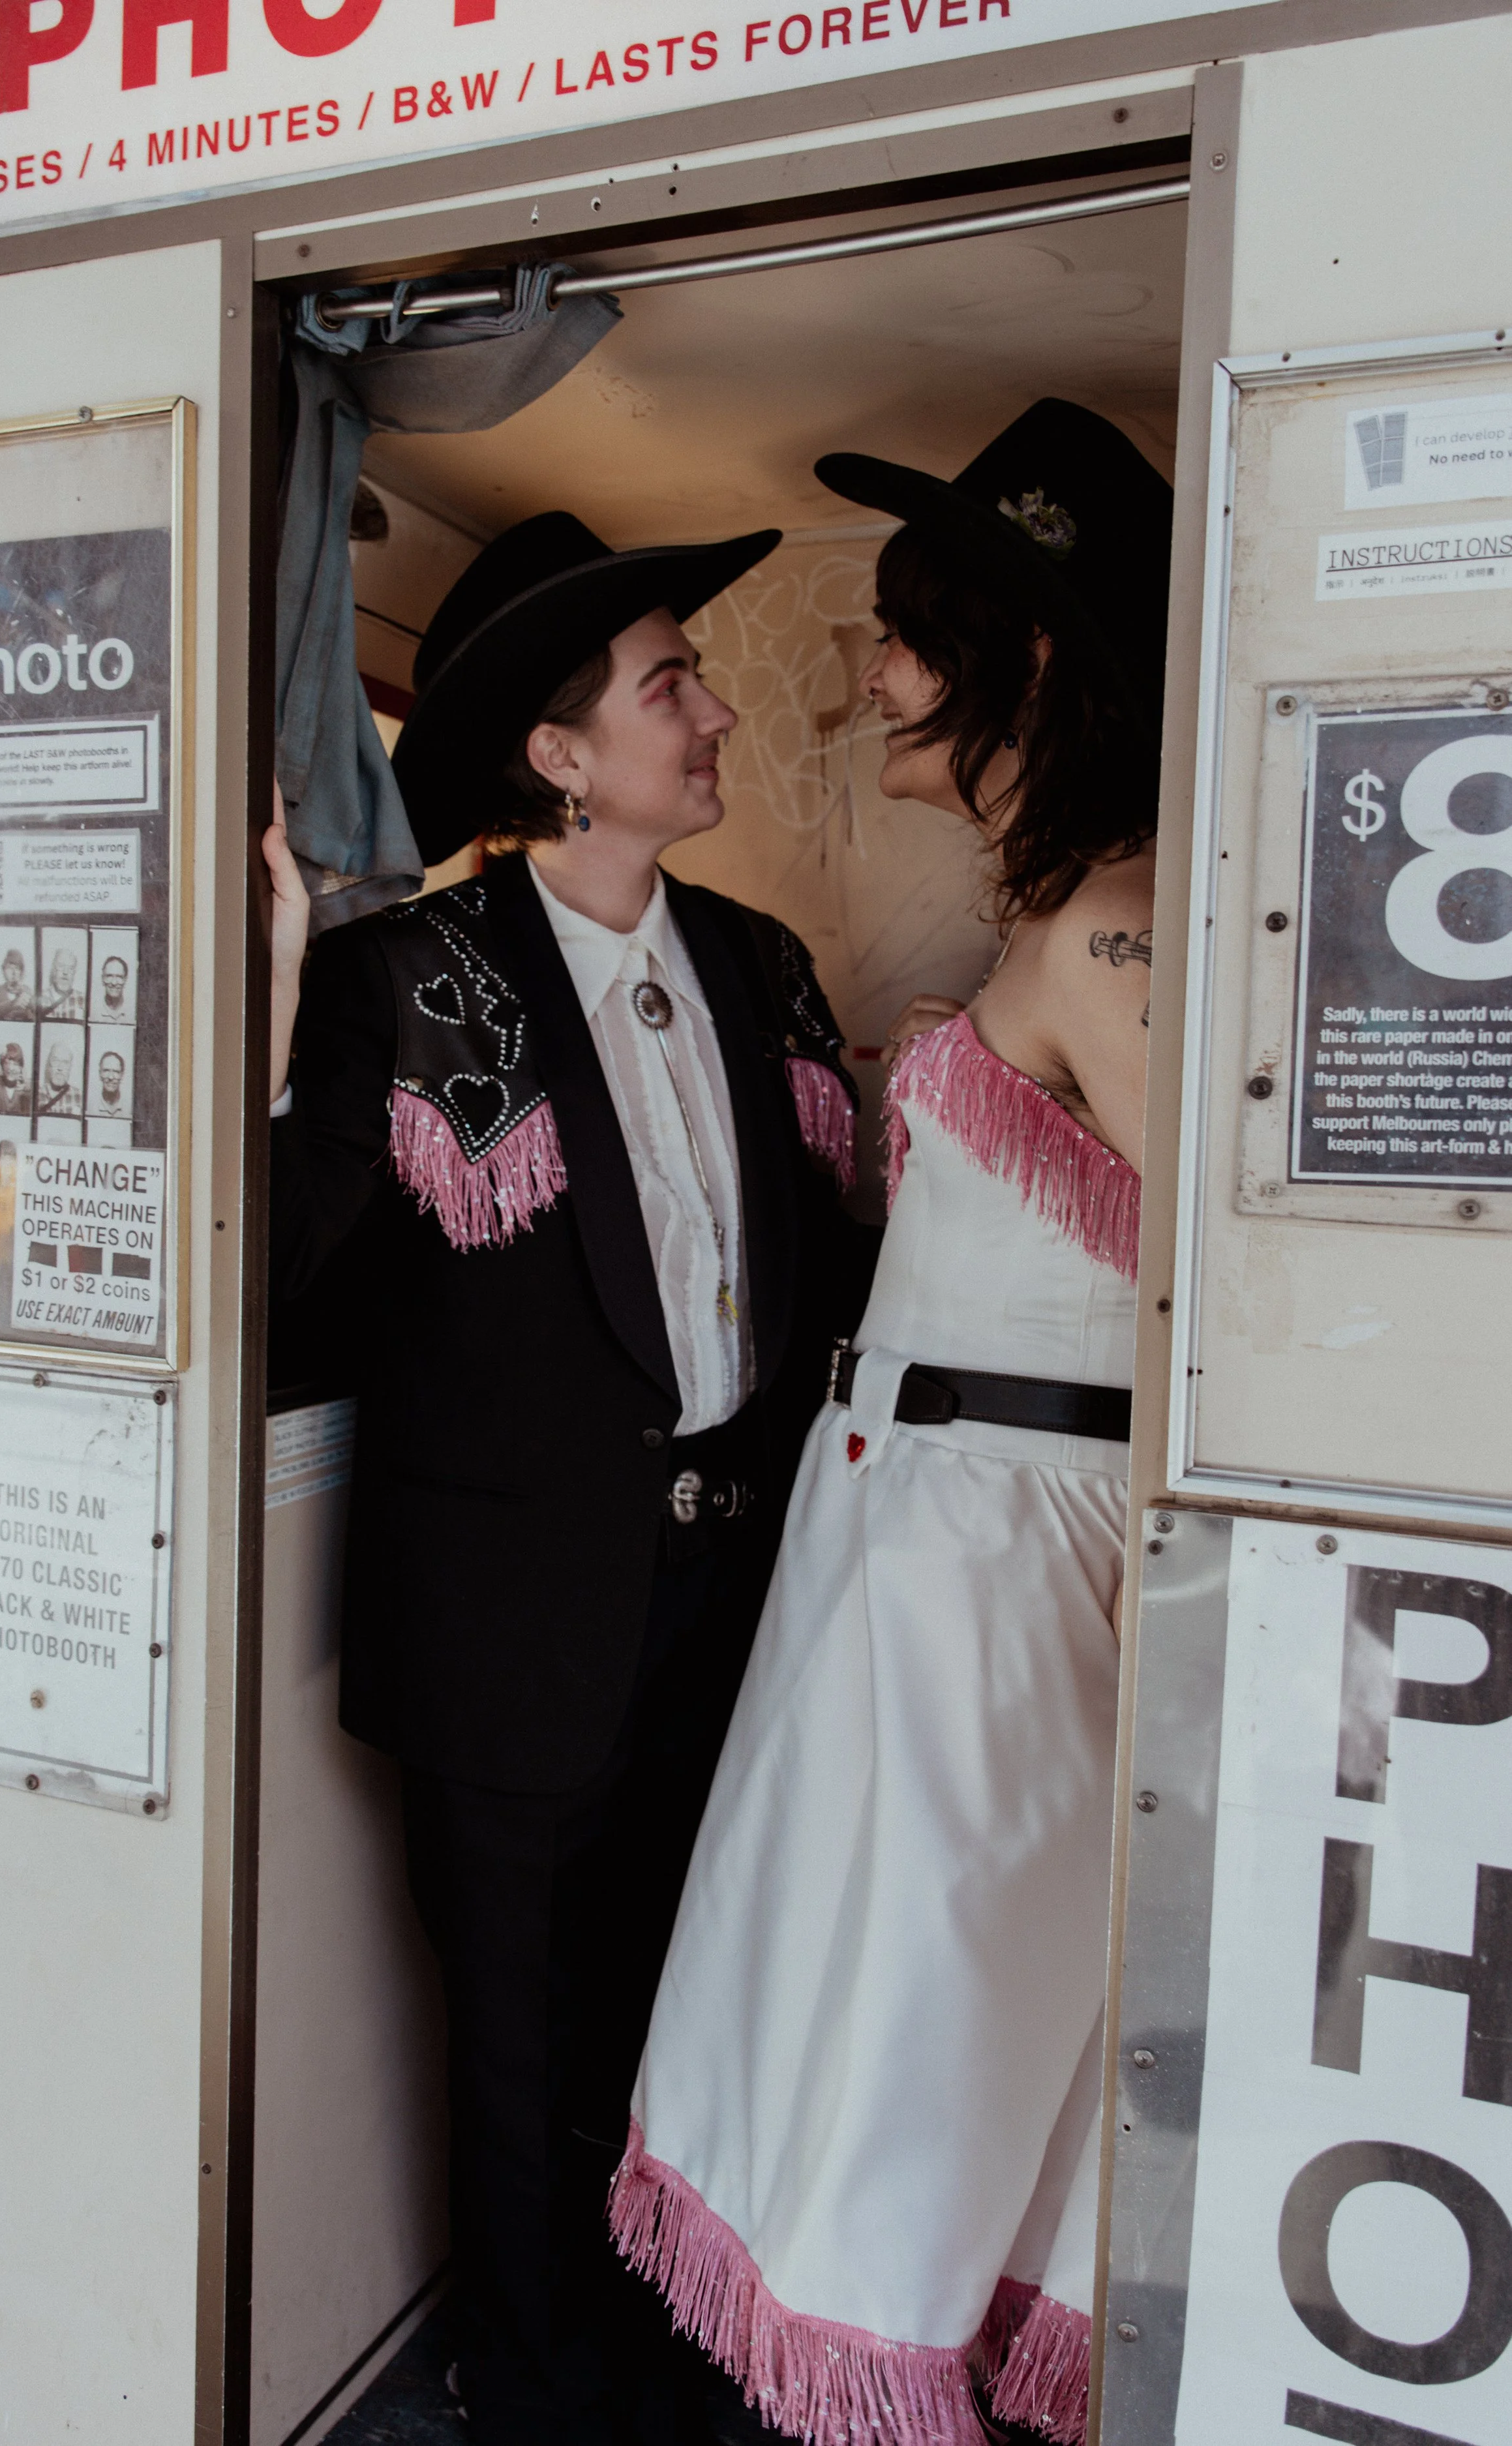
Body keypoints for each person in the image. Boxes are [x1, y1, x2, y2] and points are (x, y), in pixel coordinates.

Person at [267, 510, 872, 2446]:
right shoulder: (409, 978)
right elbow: (283, 1278)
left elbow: (832, 1268)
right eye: (666, 683)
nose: (707, 715)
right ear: (558, 754)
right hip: (505, 1618)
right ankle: (526, 2383)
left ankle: (664, 2333)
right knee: (518, 2038)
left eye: (691, 673)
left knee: (694, 1991)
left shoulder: (765, 966)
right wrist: (275, 1019)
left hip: (730, 1588)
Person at [611, 402, 1171, 2446]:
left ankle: (881, 2354)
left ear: (1017, 657)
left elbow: (1235, 1265)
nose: (869, 680)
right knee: (865, 1964)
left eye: (905, 640)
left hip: (990, 1551)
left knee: (919, 1983)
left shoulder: (1114, 918)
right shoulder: (1066, 910)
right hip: (915, 1522)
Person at [37, 1042, 82, 1118]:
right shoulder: (36, 1095)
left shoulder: (80, 1097)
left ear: (70, 1067)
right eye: (55, 1061)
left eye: (65, 1063)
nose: (60, 1068)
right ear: (49, 1065)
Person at [0, 1042, 32, 1116]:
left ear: (21, 1067)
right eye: (7, 1063)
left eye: (15, 1064)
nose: (10, 1068)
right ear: (2, 1065)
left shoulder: (27, 1090)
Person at [40, 947, 85, 1020]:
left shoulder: (83, 1000)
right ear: (54, 969)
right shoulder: (40, 997)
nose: (65, 972)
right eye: (61, 966)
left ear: (74, 972)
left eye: (70, 968)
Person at [0, 946, 35, 1019]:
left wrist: (30, 1007)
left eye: (17, 969)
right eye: (10, 968)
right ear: (4, 970)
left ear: (21, 972)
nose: (14, 973)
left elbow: (34, 1018)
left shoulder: (27, 991)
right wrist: (12, 1004)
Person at [91, 1048, 128, 1115]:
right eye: (106, 1071)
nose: (111, 1077)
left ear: (122, 1075)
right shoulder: (91, 1109)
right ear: (100, 1074)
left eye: (116, 1072)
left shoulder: (129, 1109)